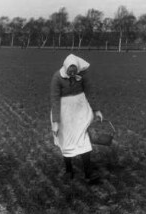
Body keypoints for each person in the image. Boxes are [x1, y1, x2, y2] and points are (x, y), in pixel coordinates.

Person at [50, 54, 103, 183]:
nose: (72, 73)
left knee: (83, 138)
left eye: (74, 71)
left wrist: (96, 110)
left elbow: (90, 92)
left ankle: (88, 173)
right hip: (64, 113)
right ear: (65, 67)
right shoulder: (57, 77)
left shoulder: (83, 76)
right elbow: (55, 99)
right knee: (66, 140)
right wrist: (56, 121)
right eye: (70, 71)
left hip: (80, 110)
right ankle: (69, 171)